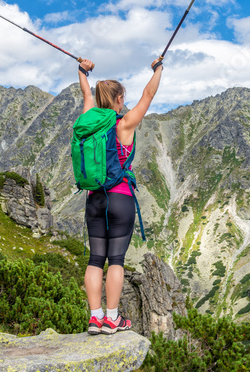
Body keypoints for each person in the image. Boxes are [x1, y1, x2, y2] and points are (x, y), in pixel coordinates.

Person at [76, 56, 164, 335]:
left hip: (95, 199)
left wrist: (82, 71)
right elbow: (148, 95)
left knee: (94, 259)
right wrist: (158, 69)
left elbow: (86, 93)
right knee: (116, 261)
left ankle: (95, 318)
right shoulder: (124, 124)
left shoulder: (89, 120)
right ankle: (112, 319)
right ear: (119, 97)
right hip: (121, 198)